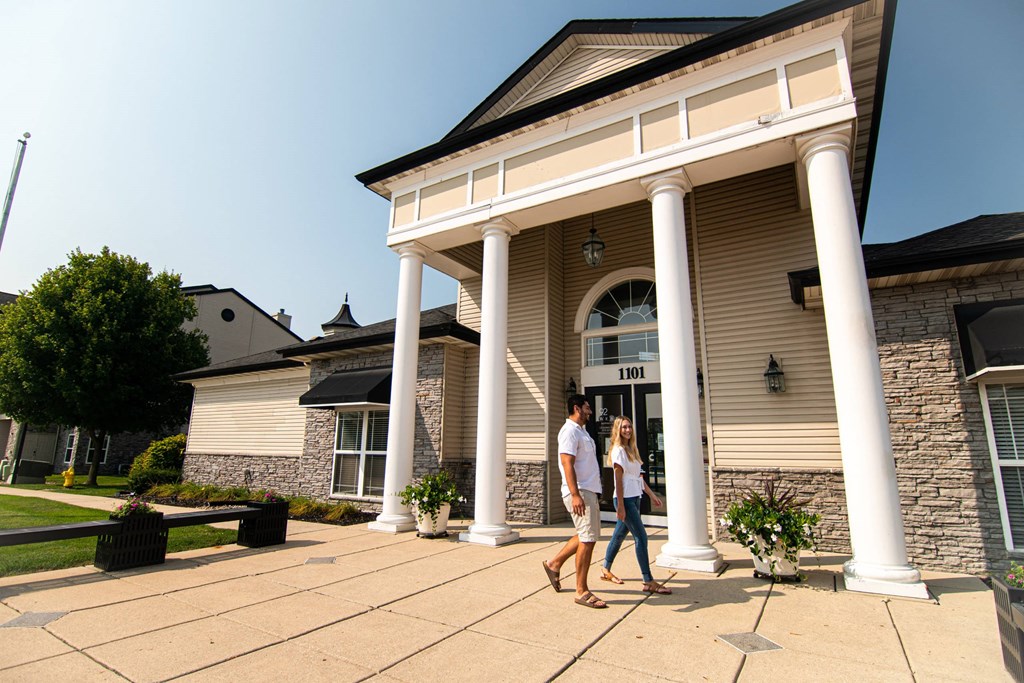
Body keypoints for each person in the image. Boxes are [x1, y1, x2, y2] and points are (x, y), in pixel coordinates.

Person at [542, 394, 607, 608]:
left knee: (586, 535)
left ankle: (554, 564)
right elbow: (566, 463)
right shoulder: (569, 431)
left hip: (589, 491)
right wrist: (576, 494)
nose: (590, 411)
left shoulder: (582, 431)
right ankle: (581, 591)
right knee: (588, 539)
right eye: (587, 407)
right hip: (579, 492)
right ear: (577, 408)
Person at [599, 415, 672, 594]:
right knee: (641, 537)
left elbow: (638, 478)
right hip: (625, 499)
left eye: (629, 426)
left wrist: (652, 495)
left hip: (635, 497)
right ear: (618, 429)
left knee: (619, 534)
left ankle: (605, 568)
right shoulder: (618, 451)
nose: (628, 430)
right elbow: (618, 480)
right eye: (624, 427)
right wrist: (620, 505)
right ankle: (648, 580)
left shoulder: (631, 450)